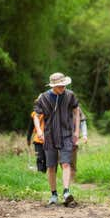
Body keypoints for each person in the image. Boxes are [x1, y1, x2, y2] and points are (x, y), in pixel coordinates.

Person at [33, 72, 80, 207]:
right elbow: (36, 115)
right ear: (53, 86)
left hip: (66, 134)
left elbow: (76, 111)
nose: (62, 88)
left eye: (64, 85)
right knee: (51, 166)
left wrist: (76, 131)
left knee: (66, 164)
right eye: (59, 86)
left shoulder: (70, 95)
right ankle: (53, 195)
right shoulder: (44, 98)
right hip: (49, 135)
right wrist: (39, 130)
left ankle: (66, 192)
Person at [70, 107, 88, 183]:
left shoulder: (77, 108)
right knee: (61, 160)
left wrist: (84, 135)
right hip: (60, 138)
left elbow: (83, 122)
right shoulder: (58, 104)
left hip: (73, 138)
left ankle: (72, 180)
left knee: (72, 160)